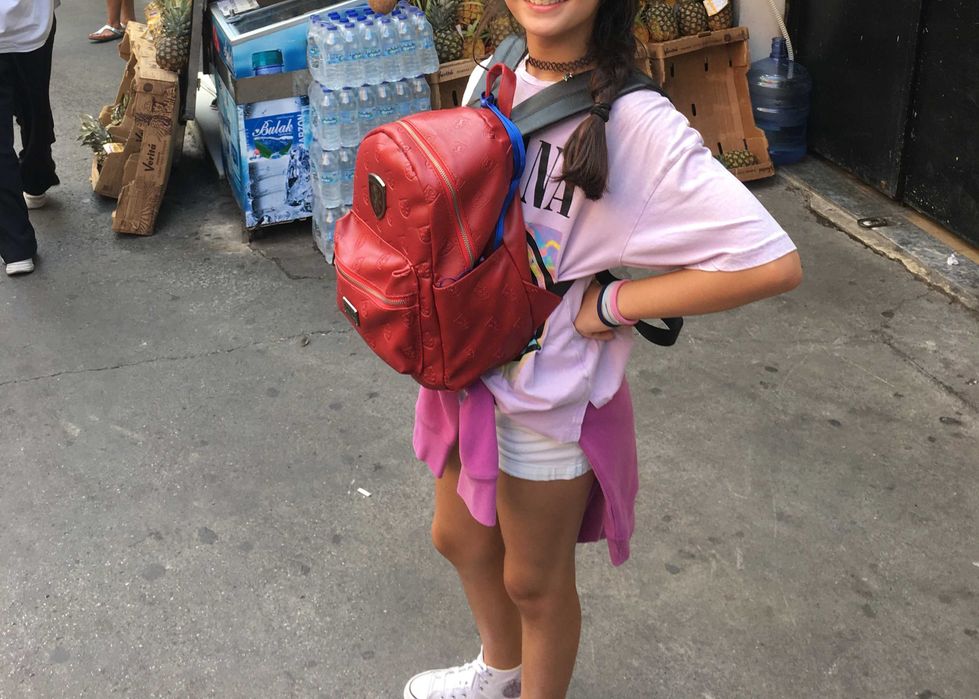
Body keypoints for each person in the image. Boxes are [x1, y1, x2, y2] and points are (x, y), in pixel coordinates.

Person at [403, 1, 803, 698]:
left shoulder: (636, 122)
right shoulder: (494, 70)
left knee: (533, 582)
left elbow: (770, 261)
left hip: (549, 395)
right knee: (458, 538)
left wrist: (614, 303)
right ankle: (499, 671)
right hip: (467, 368)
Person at [0, 0, 58, 276]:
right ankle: (36, 178)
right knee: (35, 109)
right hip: (32, 26)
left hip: (33, 27)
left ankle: (17, 247)